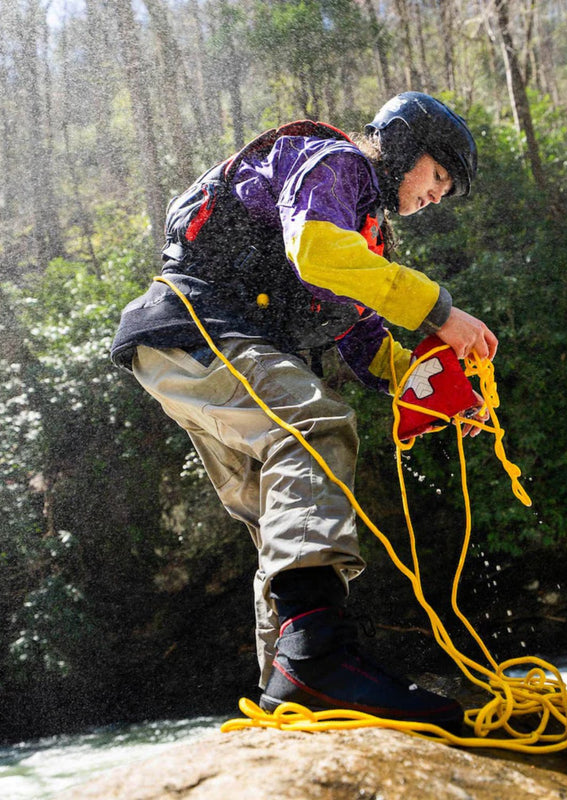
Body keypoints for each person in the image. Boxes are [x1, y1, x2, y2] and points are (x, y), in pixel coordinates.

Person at [111, 92, 497, 730]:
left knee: (275, 509)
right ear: (403, 144)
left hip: (191, 351)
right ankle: (316, 660)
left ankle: (283, 689)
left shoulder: (362, 232)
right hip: (197, 326)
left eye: (446, 188)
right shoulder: (336, 162)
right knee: (314, 427)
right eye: (438, 175)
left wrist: (441, 392)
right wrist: (441, 312)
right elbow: (318, 255)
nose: (438, 195)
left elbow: (367, 343)